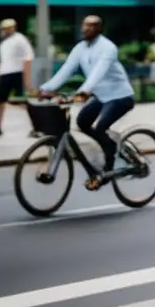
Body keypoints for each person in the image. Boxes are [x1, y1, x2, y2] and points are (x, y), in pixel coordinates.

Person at [36, 16, 135, 190]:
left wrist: (84, 91)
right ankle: (110, 146)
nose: (86, 29)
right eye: (84, 25)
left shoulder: (108, 48)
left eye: (91, 26)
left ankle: (109, 164)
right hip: (100, 96)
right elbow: (66, 70)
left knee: (99, 128)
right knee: (82, 122)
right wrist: (45, 88)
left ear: (99, 28)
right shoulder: (80, 48)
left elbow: (98, 72)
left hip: (120, 96)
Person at [0, 19, 34, 138]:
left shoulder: (20, 39)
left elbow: (28, 58)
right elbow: (5, 60)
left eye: (6, 28)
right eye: (3, 28)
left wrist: (27, 79)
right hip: (5, 73)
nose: (4, 30)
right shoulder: (3, 42)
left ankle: (35, 127)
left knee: (24, 102)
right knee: (0, 101)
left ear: (13, 28)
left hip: (18, 72)